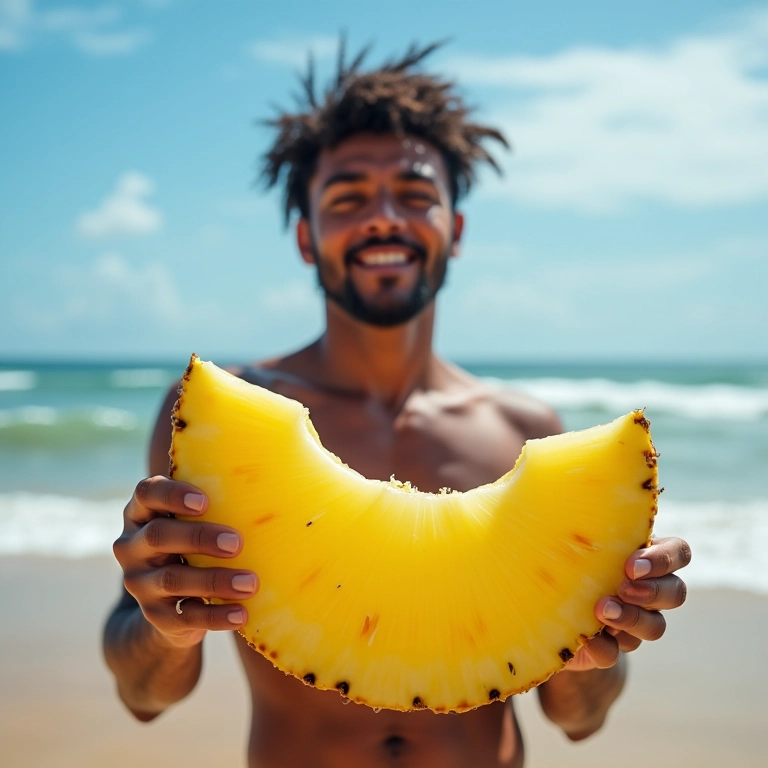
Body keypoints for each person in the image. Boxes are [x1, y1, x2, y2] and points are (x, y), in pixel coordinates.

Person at [104, 43, 690, 768]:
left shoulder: (523, 429)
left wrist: (590, 654)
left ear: (456, 230)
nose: (383, 218)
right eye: (347, 198)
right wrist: (166, 631)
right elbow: (143, 695)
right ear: (306, 239)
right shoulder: (217, 420)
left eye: (414, 195)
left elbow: (579, 721)